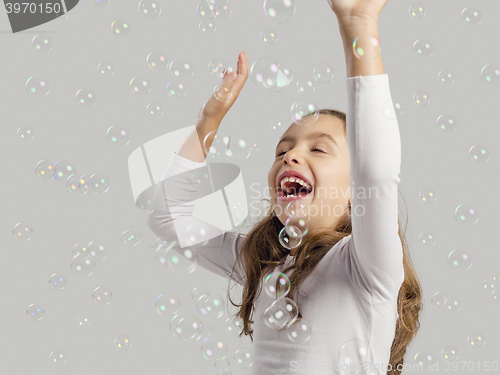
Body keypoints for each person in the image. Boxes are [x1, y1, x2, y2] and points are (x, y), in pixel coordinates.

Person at [146, 1, 423, 374]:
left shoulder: (366, 265)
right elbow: (169, 216)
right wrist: (210, 119)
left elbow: (375, 170)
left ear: (355, 191)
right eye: (282, 149)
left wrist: (359, 24)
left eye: (319, 148)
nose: (290, 156)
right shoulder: (264, 264)